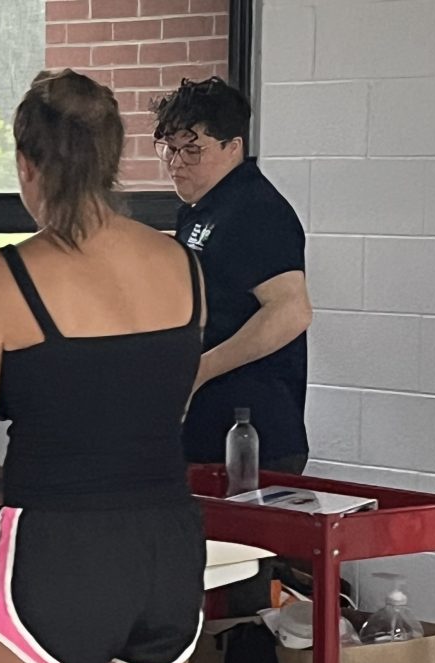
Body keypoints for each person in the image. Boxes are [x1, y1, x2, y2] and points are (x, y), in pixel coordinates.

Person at [0, 68, 207, 663]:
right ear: (113, 157)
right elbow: (157, 407)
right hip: (166, 541)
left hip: (59, 547)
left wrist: (6, 489)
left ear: (28, 165)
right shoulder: (183, 265)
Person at [154, 76, 313, 474]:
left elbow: (292, 310)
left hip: (251, 433)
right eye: (169, 150)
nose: (176, 164)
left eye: (192, 151)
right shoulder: (200, 210)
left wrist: (202, 369)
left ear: (234, 147)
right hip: (204, 429)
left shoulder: (254, 210)